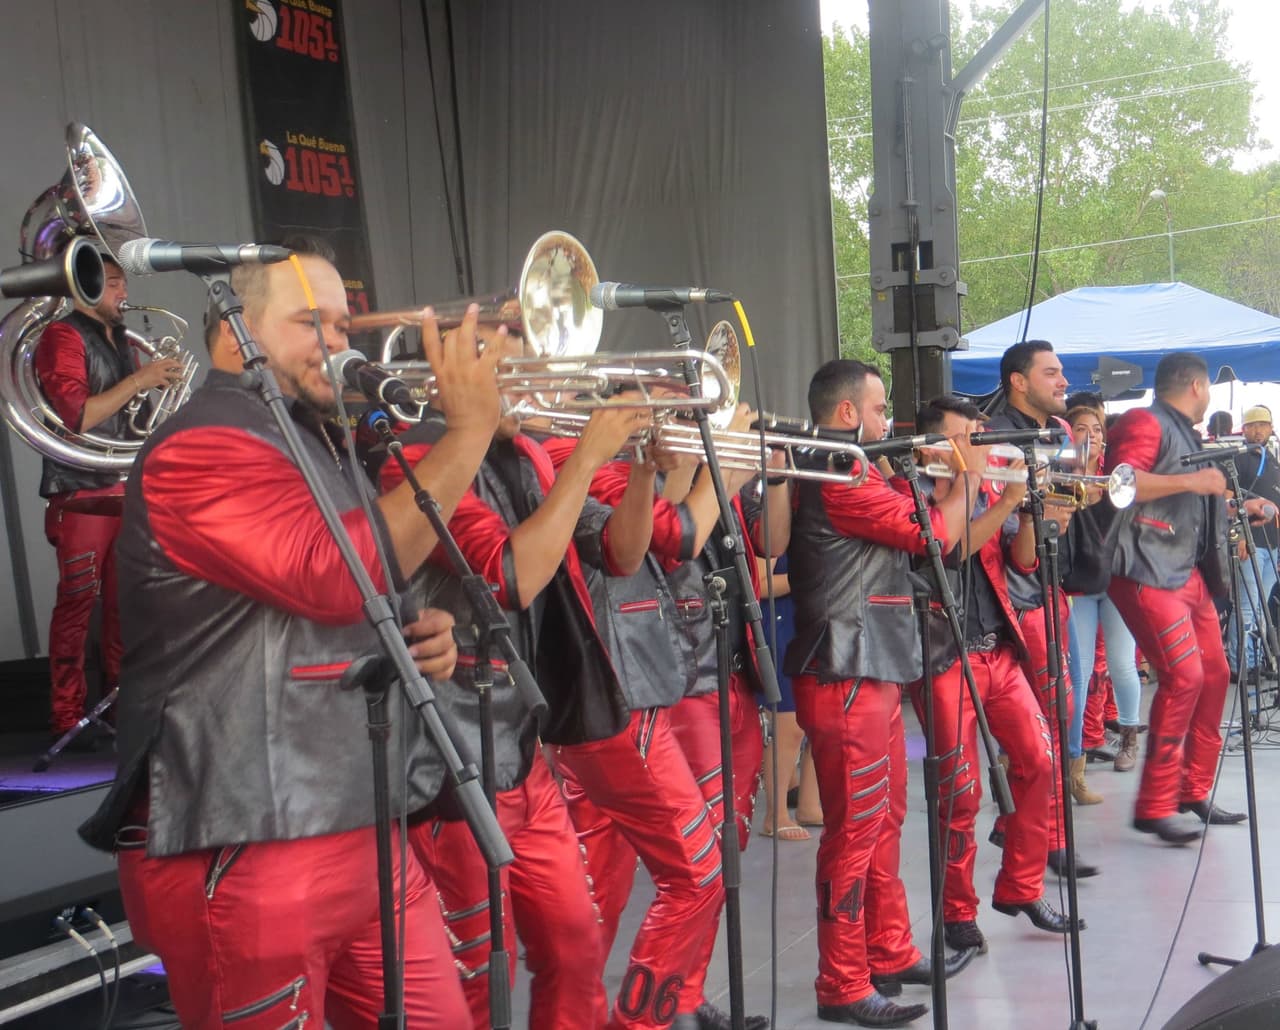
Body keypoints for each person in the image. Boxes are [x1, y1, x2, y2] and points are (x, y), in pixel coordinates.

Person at [77, 239, 502, 1026]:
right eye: (311, 322)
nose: (338, 343)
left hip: (358, 818)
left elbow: (352, 586)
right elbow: (329, 573)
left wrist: (419, 631)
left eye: (342, 324)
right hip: (247, 837)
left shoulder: (317, 440)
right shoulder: (200, 444)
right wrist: (469, 433)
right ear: (234, 332)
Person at [543, 406, 783, 1030]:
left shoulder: (599, 461)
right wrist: (722, 470)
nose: (666, 418)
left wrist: (685, 466)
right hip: (620, 693)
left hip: (635, 687)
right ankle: (639, 1017)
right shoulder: (569, 455)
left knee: (607, 889)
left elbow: (667, 536)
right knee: (682, 875)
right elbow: (675, 539)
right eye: (658, 405)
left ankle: (650, 1005)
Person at [785, 362, 978, 1028]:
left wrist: (927, 476)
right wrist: (967, 475)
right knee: (854, 832)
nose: (886, 416)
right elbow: (935, 536)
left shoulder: (857, 465)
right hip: (846, 669)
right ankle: (841, 982)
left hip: (871, 667)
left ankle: (887, 950)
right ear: (847, 414)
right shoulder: (838, 468)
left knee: (884, 817)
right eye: (877, 406)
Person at [912, 395, 1078, 957]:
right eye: (967, 434)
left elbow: (1022, 563)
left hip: (996, 652)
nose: (978, 442)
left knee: (1041, 760)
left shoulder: (984, 487)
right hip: (943, 657)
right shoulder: (913, 490)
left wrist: (1032, 515)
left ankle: (1022, 886)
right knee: (960, 793)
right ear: (932, 444)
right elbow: (950, 550)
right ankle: (957, 913)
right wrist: (1006, 497)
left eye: (979, 433)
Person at [34, 252, 185, 742]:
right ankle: (65, 716)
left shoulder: (119, 339)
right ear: (89, 286)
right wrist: (141, 379)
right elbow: (77, 415)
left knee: (125, 604)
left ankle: (123, 708)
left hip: (124, 483)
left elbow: (134, 414)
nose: (125, 293)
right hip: (80, 487)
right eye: (115, 283)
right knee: (78, 602)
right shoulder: (61, 336)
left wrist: (157, 393)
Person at [1105, 352, 1242, 844]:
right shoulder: (1144, 421)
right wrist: (1193, 481)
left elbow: (1186, 500)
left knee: (1216, 674)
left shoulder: (1183, 430)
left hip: (1183, 569)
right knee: (1185, 677)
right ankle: (1155, 804)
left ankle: (1192, 789)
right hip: (1146, 566)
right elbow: (1119, 484)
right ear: (1198, 386)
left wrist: (1237, 506)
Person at [986, 340, 1098, 878]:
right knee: (1049, 722)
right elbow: (1013, 540)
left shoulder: (1055, 431)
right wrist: (1048, 513)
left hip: (1052, 591)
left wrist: (1083, 485)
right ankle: (1048, 839)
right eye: (1051, 372)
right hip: (1020, 598)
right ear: (1018, 381)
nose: (1063, 381)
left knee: (1055, 718)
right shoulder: (995, 438)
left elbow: (1073, 503)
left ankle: (1023, 828)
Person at [1062, 402, 1143, 795]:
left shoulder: (1117, 477)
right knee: (1077, 676)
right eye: (1081, 428)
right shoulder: (1057, 477)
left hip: (1114, 581)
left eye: (1096, 429)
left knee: (1122, 663)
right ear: (1068, 434)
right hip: (1078, 584)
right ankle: (1074, 756)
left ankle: (1129, 737)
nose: (1091, 435)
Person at [757, 551, 823, 841]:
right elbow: (760, 584)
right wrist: (812, 576)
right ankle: (776, 814)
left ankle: (809, 804)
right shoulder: (773, 527)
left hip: (809, 618)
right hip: (780, 618)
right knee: (789, 724)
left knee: (818, 715)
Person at [1227, 404, 1280, 679]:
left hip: (1272, 545)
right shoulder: (1238, 459)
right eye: (1253, 425)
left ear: (1271, 428)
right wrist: (1239, 536)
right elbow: (1228, 500)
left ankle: (1256, 661)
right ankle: (1240, 665)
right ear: (1244, 429)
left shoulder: (1272, 459)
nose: (1258, 430)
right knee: (1247, 605)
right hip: (1250, 542)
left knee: (1261, 608)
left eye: (1263, 424)